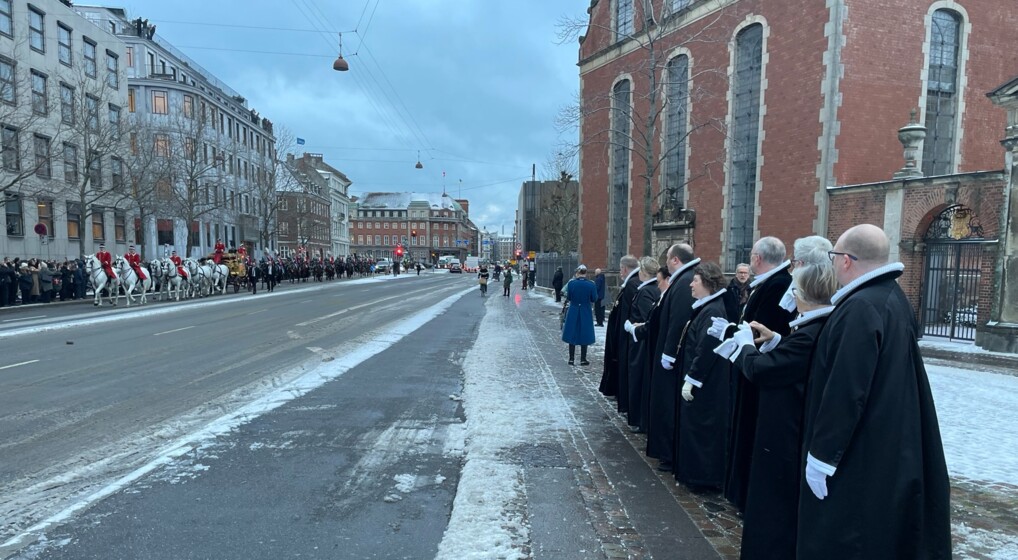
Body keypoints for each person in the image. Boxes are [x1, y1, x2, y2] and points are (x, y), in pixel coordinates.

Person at [797, 224, 950, 559]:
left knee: (846, 533)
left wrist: (822, 456)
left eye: (834, 257)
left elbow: (847, 389)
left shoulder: (861, 308)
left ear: (847, 261)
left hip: (861, 450)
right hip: (886, 439)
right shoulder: (891, 297)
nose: (833, 264)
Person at [720, 259, 838, 560]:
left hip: (785, 437)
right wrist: (775, 341)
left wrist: (746, 346)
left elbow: (762, 371)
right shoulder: (817, 328)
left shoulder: (812, 331)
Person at [723, 236, 796, 511]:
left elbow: (761, 329)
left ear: (757, 259)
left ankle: (745, 494)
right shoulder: (769, 284)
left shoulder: (777, 286)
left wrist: (738, 335)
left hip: (760, 371)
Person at [673, 261, 732, 490]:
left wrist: (692, 379)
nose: (691, 285)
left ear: (707, 283)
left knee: (702, 430)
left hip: (706, 385)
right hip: (700, 380)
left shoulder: (713, 310)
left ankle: (702, 478)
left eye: (695, 281)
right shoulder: (706, 307)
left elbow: (706, 348)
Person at [644, 244, 699, 471]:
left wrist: (669, 352)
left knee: (667, 403)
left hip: (672, 358)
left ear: (675, 260)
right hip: (667, 352)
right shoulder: (683, 278)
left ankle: (667, 451)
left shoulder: (685, 281)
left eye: (667, 259)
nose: (665, 263)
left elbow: (678, 320)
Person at [622, 257, 661, 430]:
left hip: (640, 343)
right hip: (642, 341)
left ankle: (639, 419)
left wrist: (633, 327)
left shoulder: (646, 291)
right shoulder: (652, 289)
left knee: (638, 379)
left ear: (642, 272)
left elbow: (648, 319)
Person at [598, 255, 639, 400]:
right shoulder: (630, 284)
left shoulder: (632, 285)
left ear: (625, 268)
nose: (620, 272)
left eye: (621, 269)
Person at [561, 264, 597, 366]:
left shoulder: (572, 284)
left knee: (572, 332)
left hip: (574, 309)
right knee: (584, 333)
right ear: (585, 273)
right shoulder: (591, 284)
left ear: (578, 272)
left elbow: (569, 297)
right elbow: (594, 298)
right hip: (585, 310)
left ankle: (571, 358)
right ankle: (583, 359)